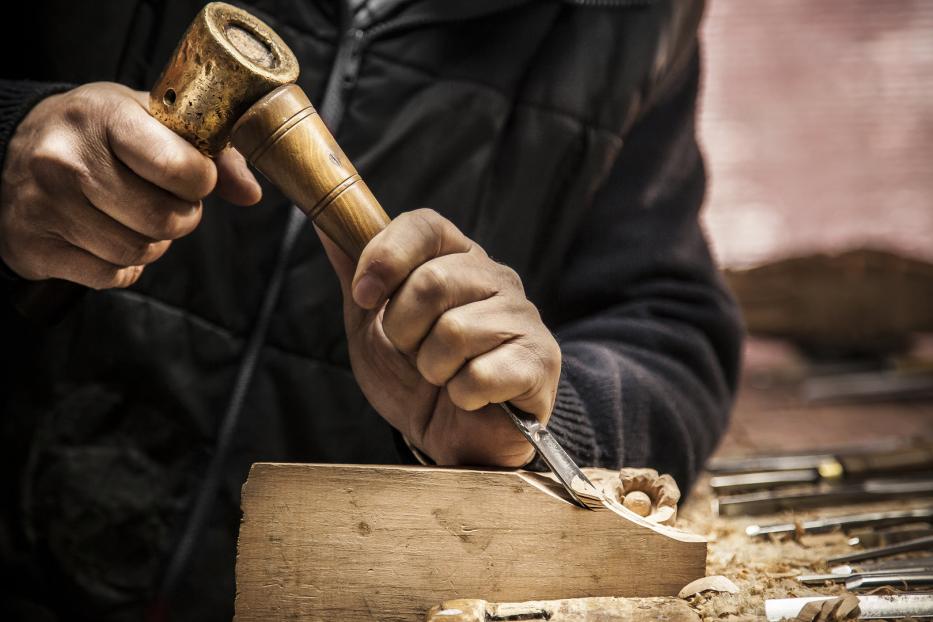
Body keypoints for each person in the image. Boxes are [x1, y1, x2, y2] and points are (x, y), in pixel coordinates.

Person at [0, 0, 742, 619]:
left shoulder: (640, 16)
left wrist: (532, 419)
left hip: (356, 594)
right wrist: (8, 142)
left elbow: (665, 321)